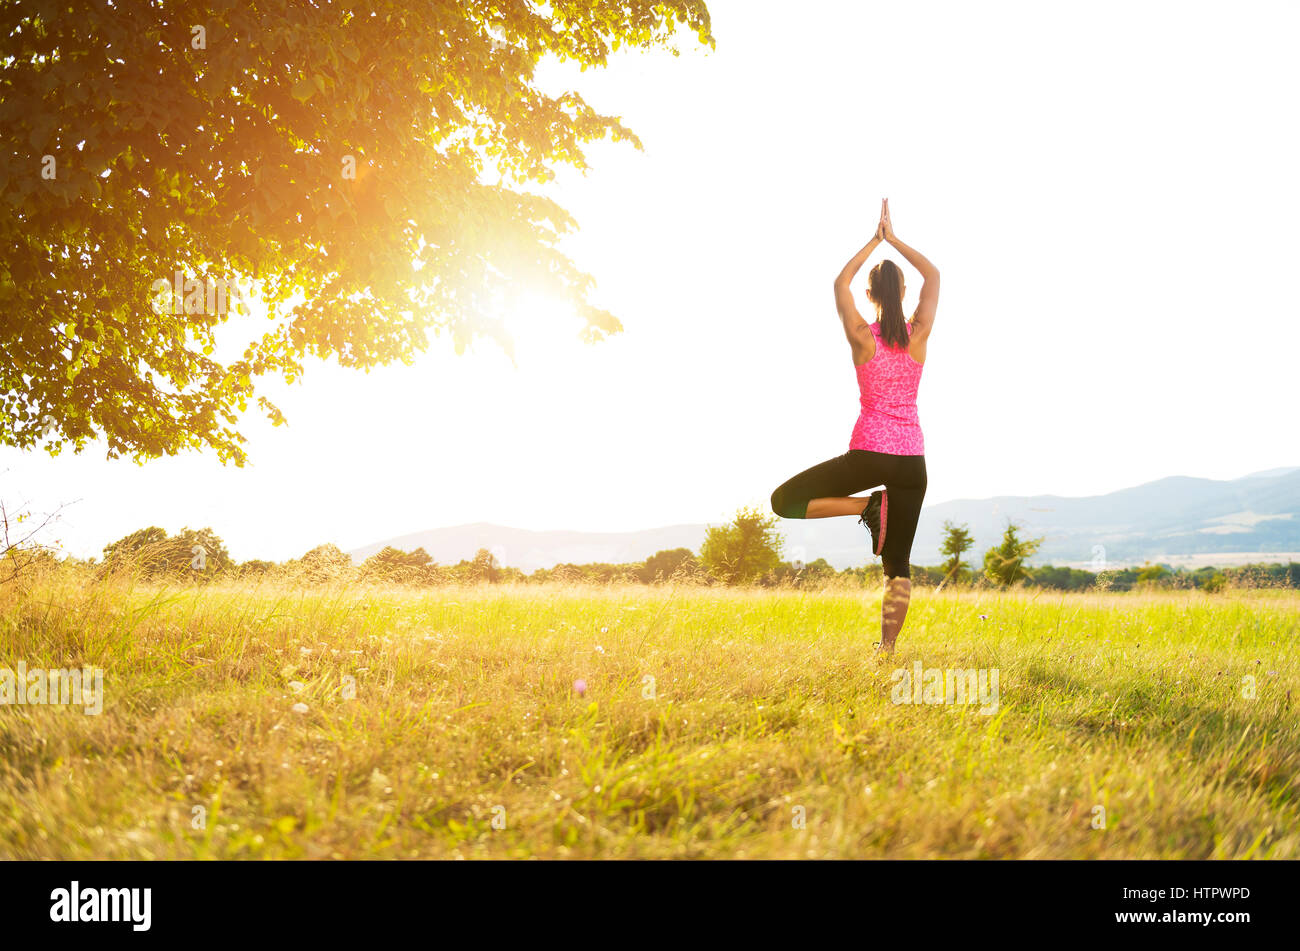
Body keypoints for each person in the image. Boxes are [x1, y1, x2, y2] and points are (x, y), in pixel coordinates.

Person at [770, 198, 939, 652]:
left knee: (784, 501)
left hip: (869, 451)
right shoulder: (918, 333)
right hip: (912, 461)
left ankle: (866, 508)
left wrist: (874, 239)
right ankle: (887, 651)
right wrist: (895, 239)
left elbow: (839, 281)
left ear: (871, 296)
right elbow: (935, 276)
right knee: (898, 566)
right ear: (902, 292)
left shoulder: (862, 337)